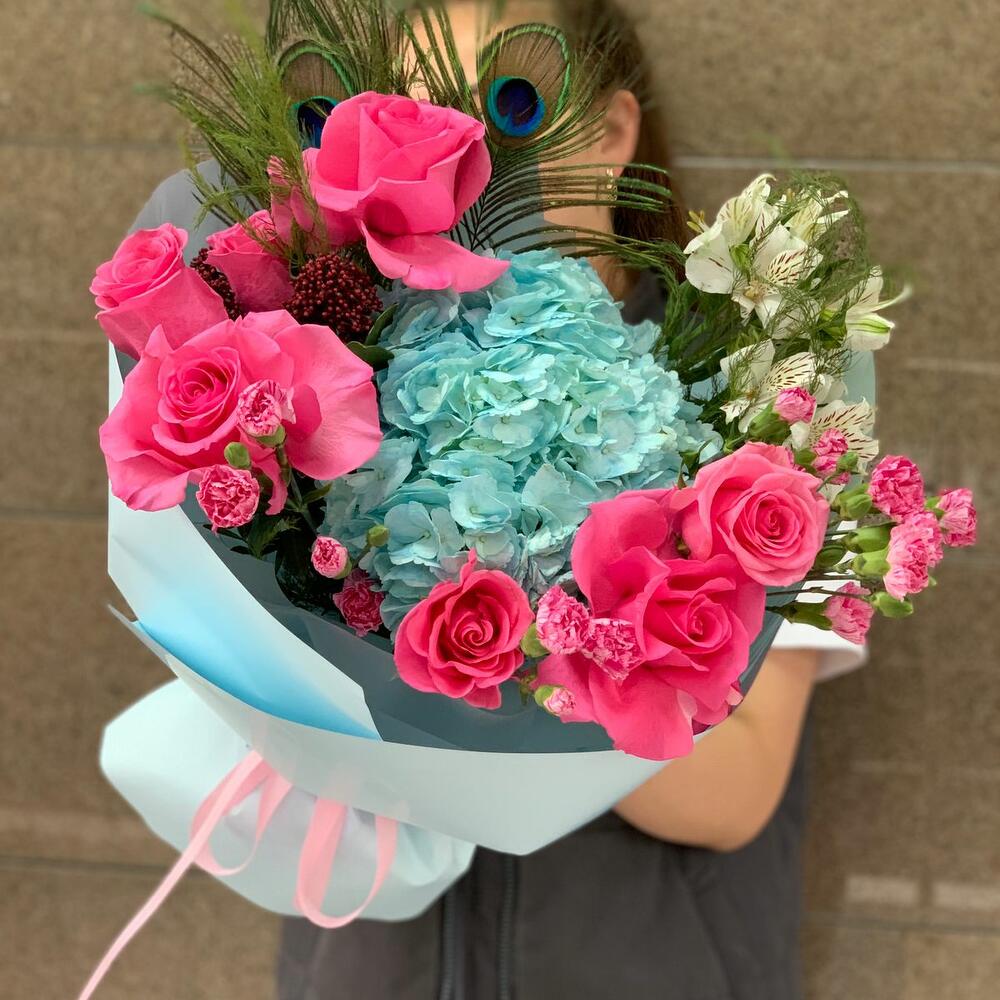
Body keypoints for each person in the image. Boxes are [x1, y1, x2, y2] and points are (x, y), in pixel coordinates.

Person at [131, 3, 866, 997]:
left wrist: (491, 658)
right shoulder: (337, 377)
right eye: (407, 127)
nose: (458, 166)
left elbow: (733, 792)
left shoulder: (762, 397)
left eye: (508, 111)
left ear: (609, 134)